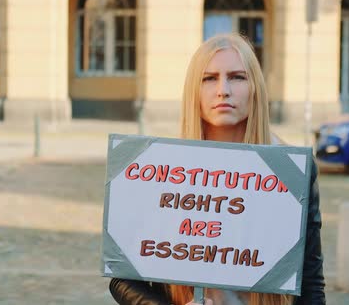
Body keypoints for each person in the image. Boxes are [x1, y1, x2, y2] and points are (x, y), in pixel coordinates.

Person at [109, 33, 326, 305]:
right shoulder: (162, 166)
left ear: (255, 87)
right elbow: (123, 278)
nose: (223, 89)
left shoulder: (291, 170)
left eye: (237, 77)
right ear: (194, 91)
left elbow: (310, 280)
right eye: (209, 78)